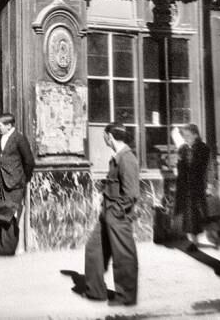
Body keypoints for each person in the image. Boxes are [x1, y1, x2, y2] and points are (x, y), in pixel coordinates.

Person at [83, 122, 140, 307]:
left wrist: (116, 213)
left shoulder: (127, 158)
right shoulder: (117, 157)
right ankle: (95, 291)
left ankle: (126, 297)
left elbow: (131, 194)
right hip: (107, 212)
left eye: (104, 136)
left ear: (110, 136)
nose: (104, 139)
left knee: (123, 255)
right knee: (93, 249)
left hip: (118, 215)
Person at [0, 113, 34, 256]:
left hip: (14, 185)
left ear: (8, 126)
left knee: (10, 215)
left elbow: (29, 161)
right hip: (0, 183)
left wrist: (23, 179)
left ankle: (7, 250)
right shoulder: (1, 138)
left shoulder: (19, 139)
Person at [173, 124, 211, 251]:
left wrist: (209, 185)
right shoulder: (182, 149)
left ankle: (203, 238)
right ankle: (194, 241)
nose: (185, 138)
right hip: (186, 186)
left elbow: (207, 168)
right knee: (189, 214)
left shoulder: (203, 148)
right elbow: (180, 167)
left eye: (188, 135)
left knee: (200, 212)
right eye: (184, 136)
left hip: (199, 185)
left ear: (196, 135)